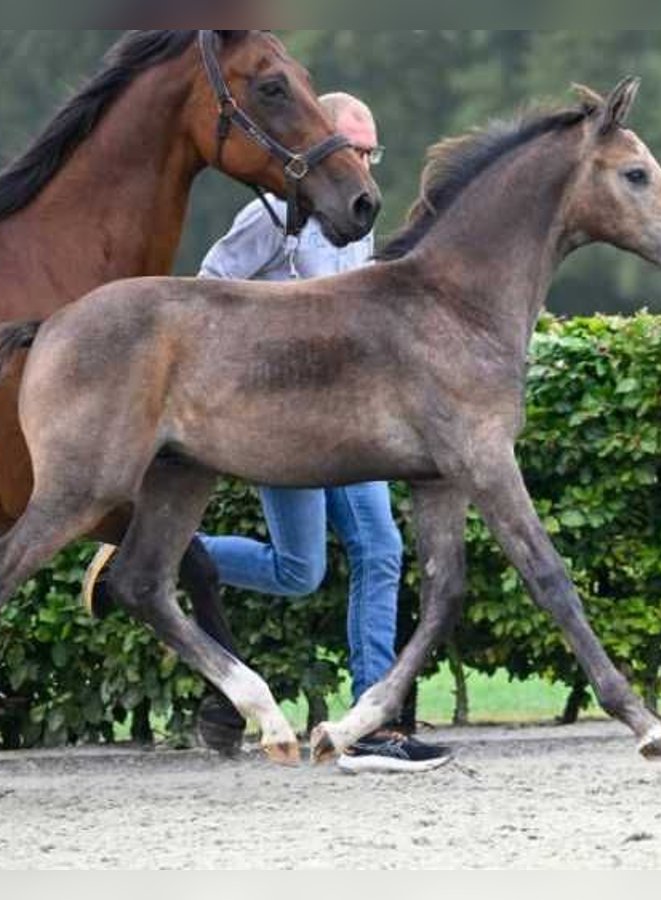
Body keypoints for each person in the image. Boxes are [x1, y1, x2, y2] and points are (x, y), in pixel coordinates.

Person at [193, 93, 452, 775]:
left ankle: (373, 721)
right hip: (283, 422)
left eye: (372, 151)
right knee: (298, 572)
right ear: (320, 144)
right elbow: (207, 289)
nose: (365, 163)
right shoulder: (269, 217)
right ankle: (166, 556)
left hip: (348, 419)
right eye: (356, 148)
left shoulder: (355, 220)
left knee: (379, 549)